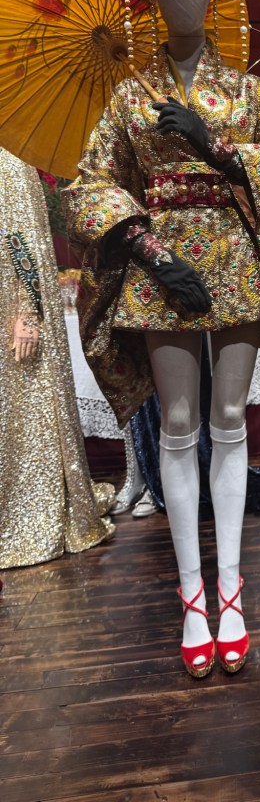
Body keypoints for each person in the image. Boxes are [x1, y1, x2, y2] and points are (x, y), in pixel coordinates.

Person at [66, 0, 260, 677]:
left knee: (229, 418)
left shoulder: (249, 93)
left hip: (234, 258)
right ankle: (192, 590)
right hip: (161, 267)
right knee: (179, 424)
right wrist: (151, 249)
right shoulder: (129, 97)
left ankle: (231, 584)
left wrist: (215, 145)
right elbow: (88, 184)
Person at [0, 147, 114, 571]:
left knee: (24, 415)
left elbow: (23, 240)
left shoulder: (9, 159)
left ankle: (29, 513)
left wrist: (29, 315)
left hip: (9, 315)